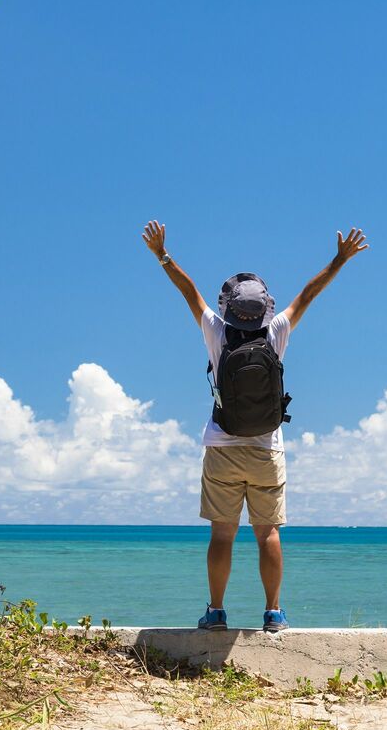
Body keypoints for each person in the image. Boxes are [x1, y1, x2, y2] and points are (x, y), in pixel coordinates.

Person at [140, 220, 369, 633]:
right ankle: (273, 613)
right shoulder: (277, 331)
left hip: (222, 447)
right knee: (267, 535)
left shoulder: (216, 331)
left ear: (229, 307)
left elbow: (187, 291)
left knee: (222, 535)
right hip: (267, 449)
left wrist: (162, 254)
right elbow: (308, 295)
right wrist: (339, 260)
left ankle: (215, 613)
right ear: (264, 309)